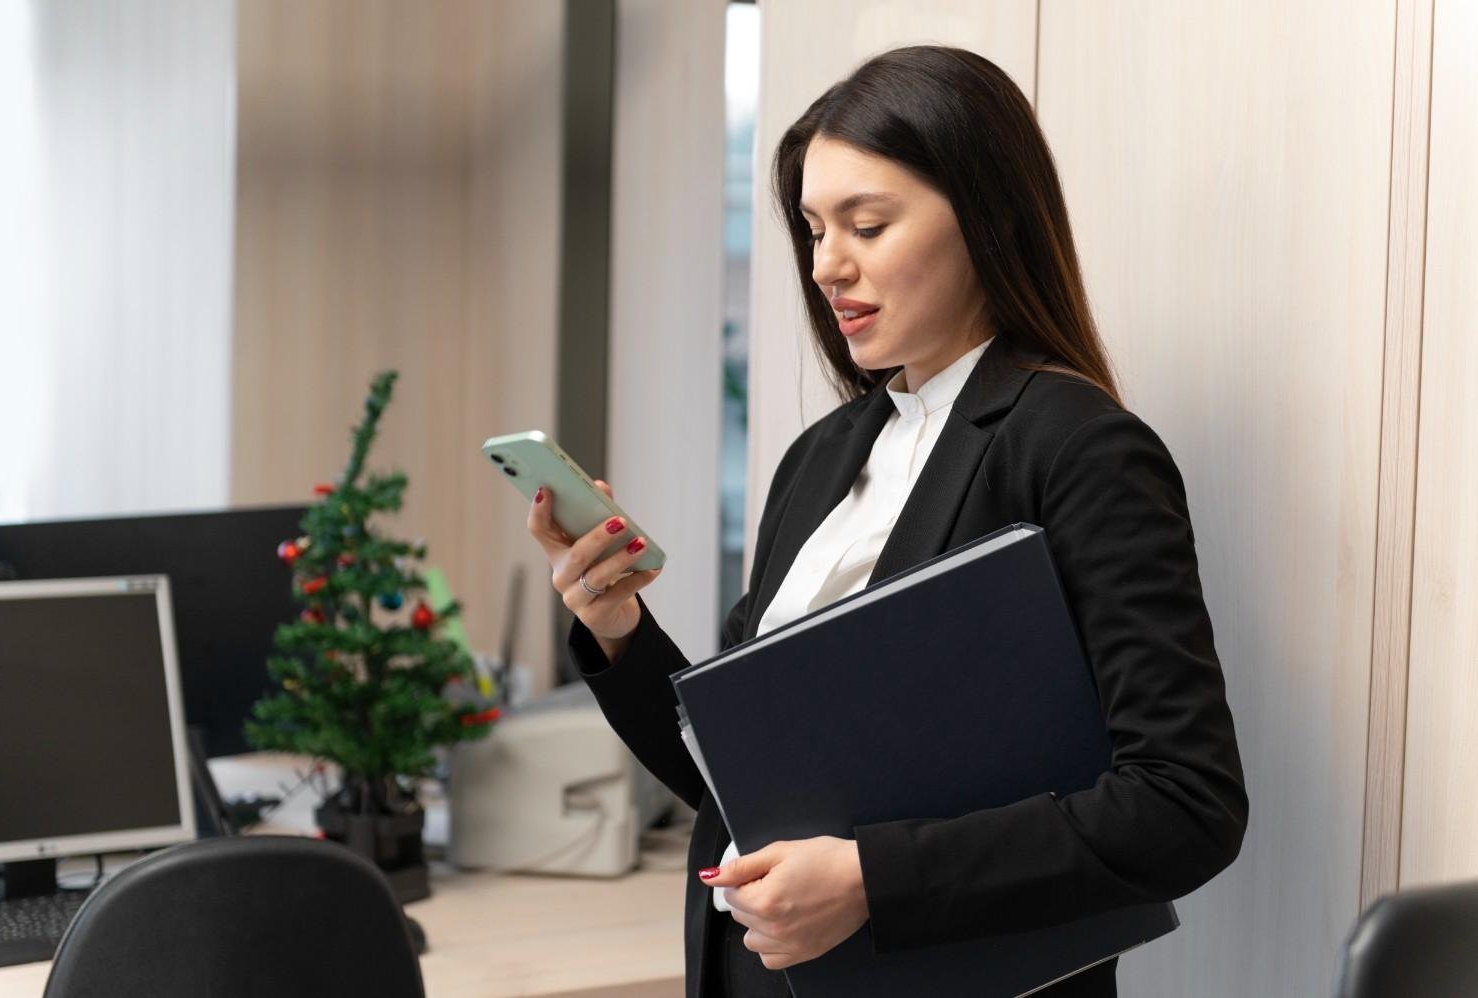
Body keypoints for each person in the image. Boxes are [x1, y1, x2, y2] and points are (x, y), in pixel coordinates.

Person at [523, 45, 1248, 998]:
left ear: (987, 220)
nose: (827, 265)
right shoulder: (821, 457)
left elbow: (1183, 804)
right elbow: (736, 780)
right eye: (814, 228)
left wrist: (873, 880)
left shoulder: (1079, 449)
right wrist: (617, 629)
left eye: (867, 223)